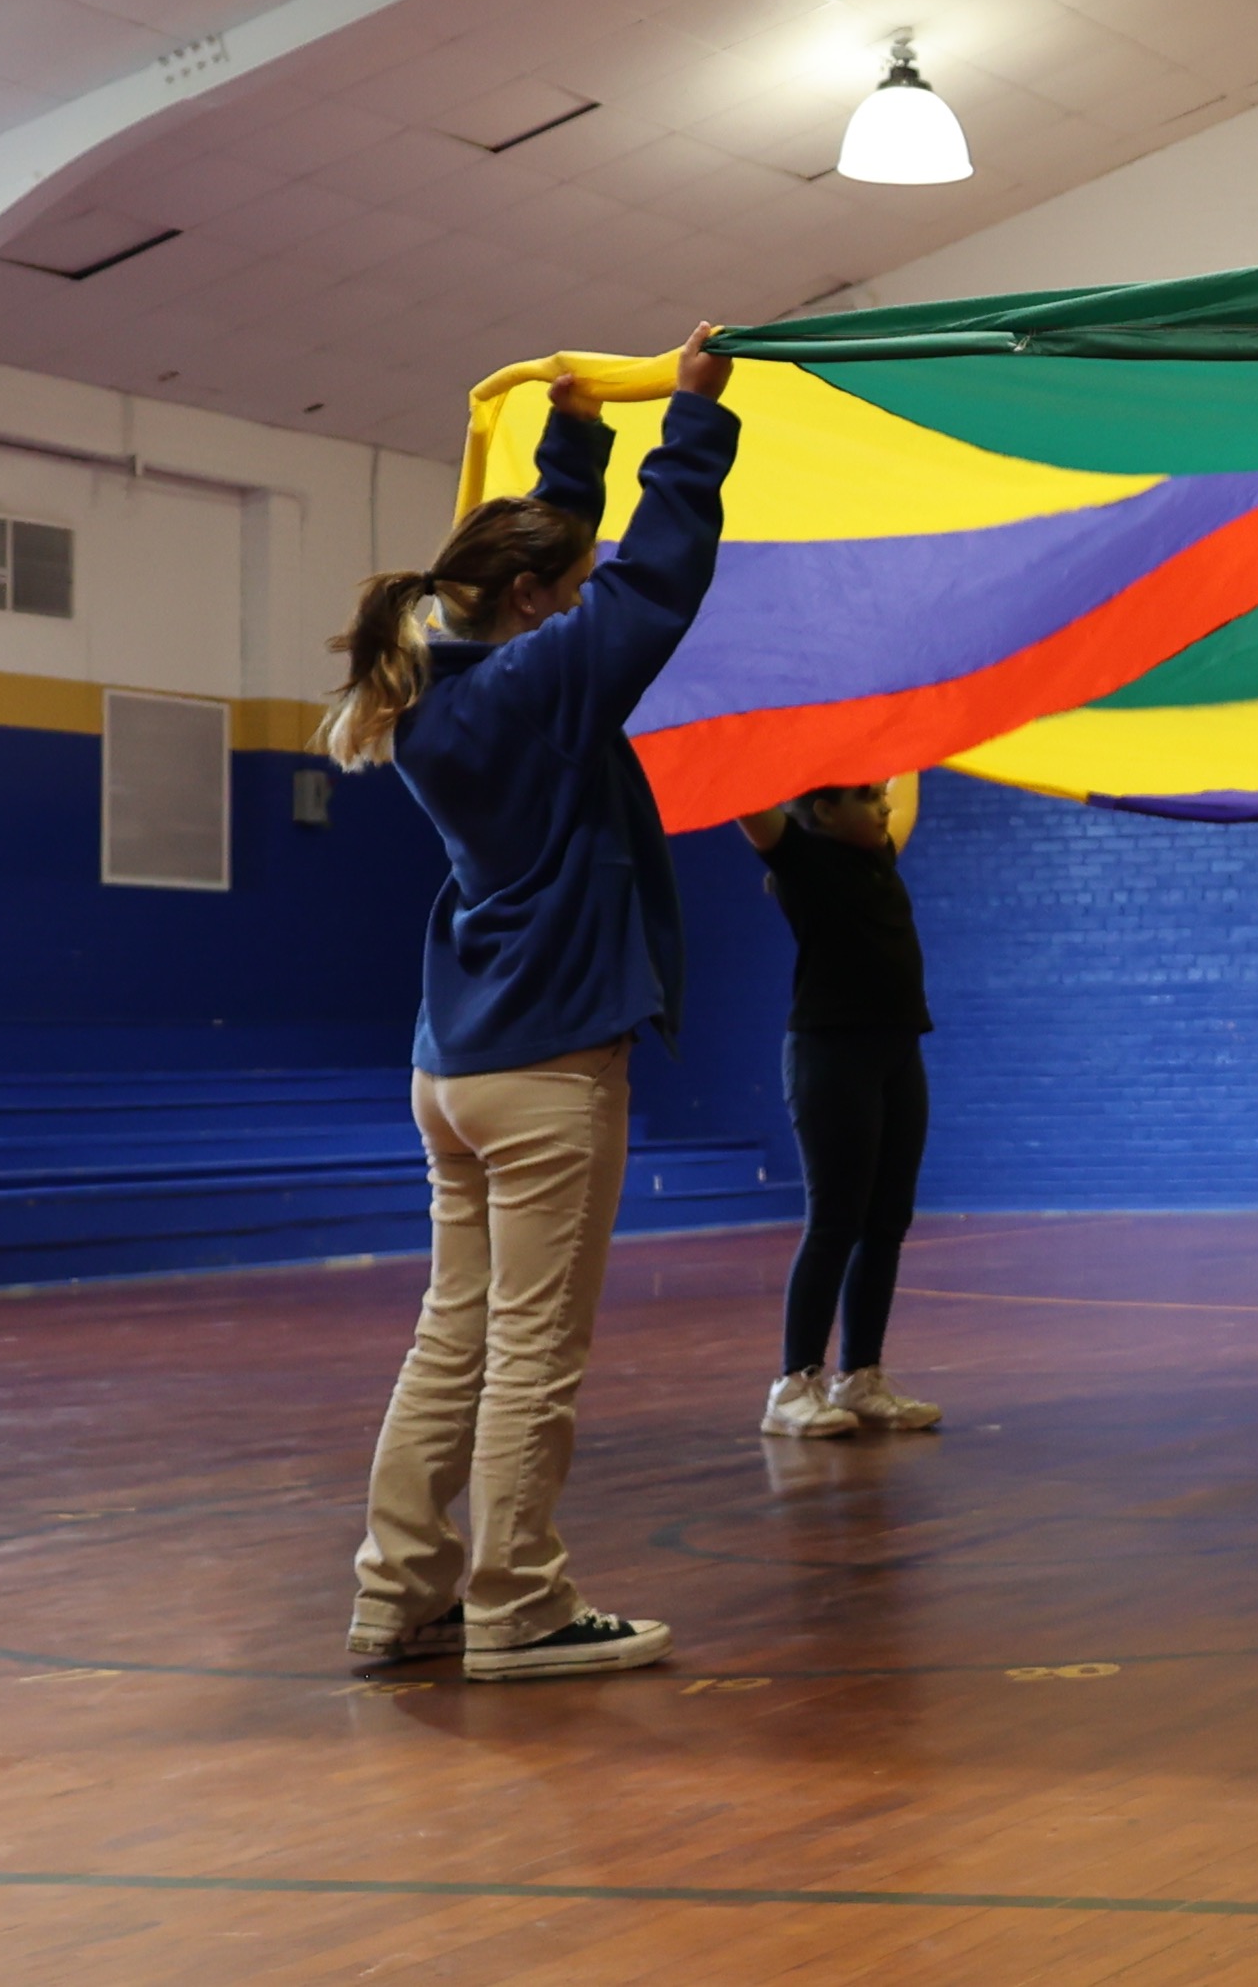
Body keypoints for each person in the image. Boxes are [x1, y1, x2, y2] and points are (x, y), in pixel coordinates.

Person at [323, 324, 736, 1683]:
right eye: (568, 589)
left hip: (456, 1068)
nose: (584, 599)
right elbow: (660, 585)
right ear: (528, 603)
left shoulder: (442, 689)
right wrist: (690, 427)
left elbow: (563, 563)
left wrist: (576, 438)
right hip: (550, 1070)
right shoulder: (539, 683)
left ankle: (399, 1595)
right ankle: (517, 1606)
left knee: (457, 1332)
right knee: (533, 1353)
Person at [741, 774, 944, 1440]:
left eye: (878, 795)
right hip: (831, 1057)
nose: (884, 804)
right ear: (823, 811)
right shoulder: (799, 857)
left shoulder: (878, 853)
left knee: (886, 1221)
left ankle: (859, 1376)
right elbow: (744, 793)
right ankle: (792, 1385)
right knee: (835, 1220)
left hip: (895, 1054)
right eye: (867, 796)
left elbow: (905, 785)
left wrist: (903, 706)